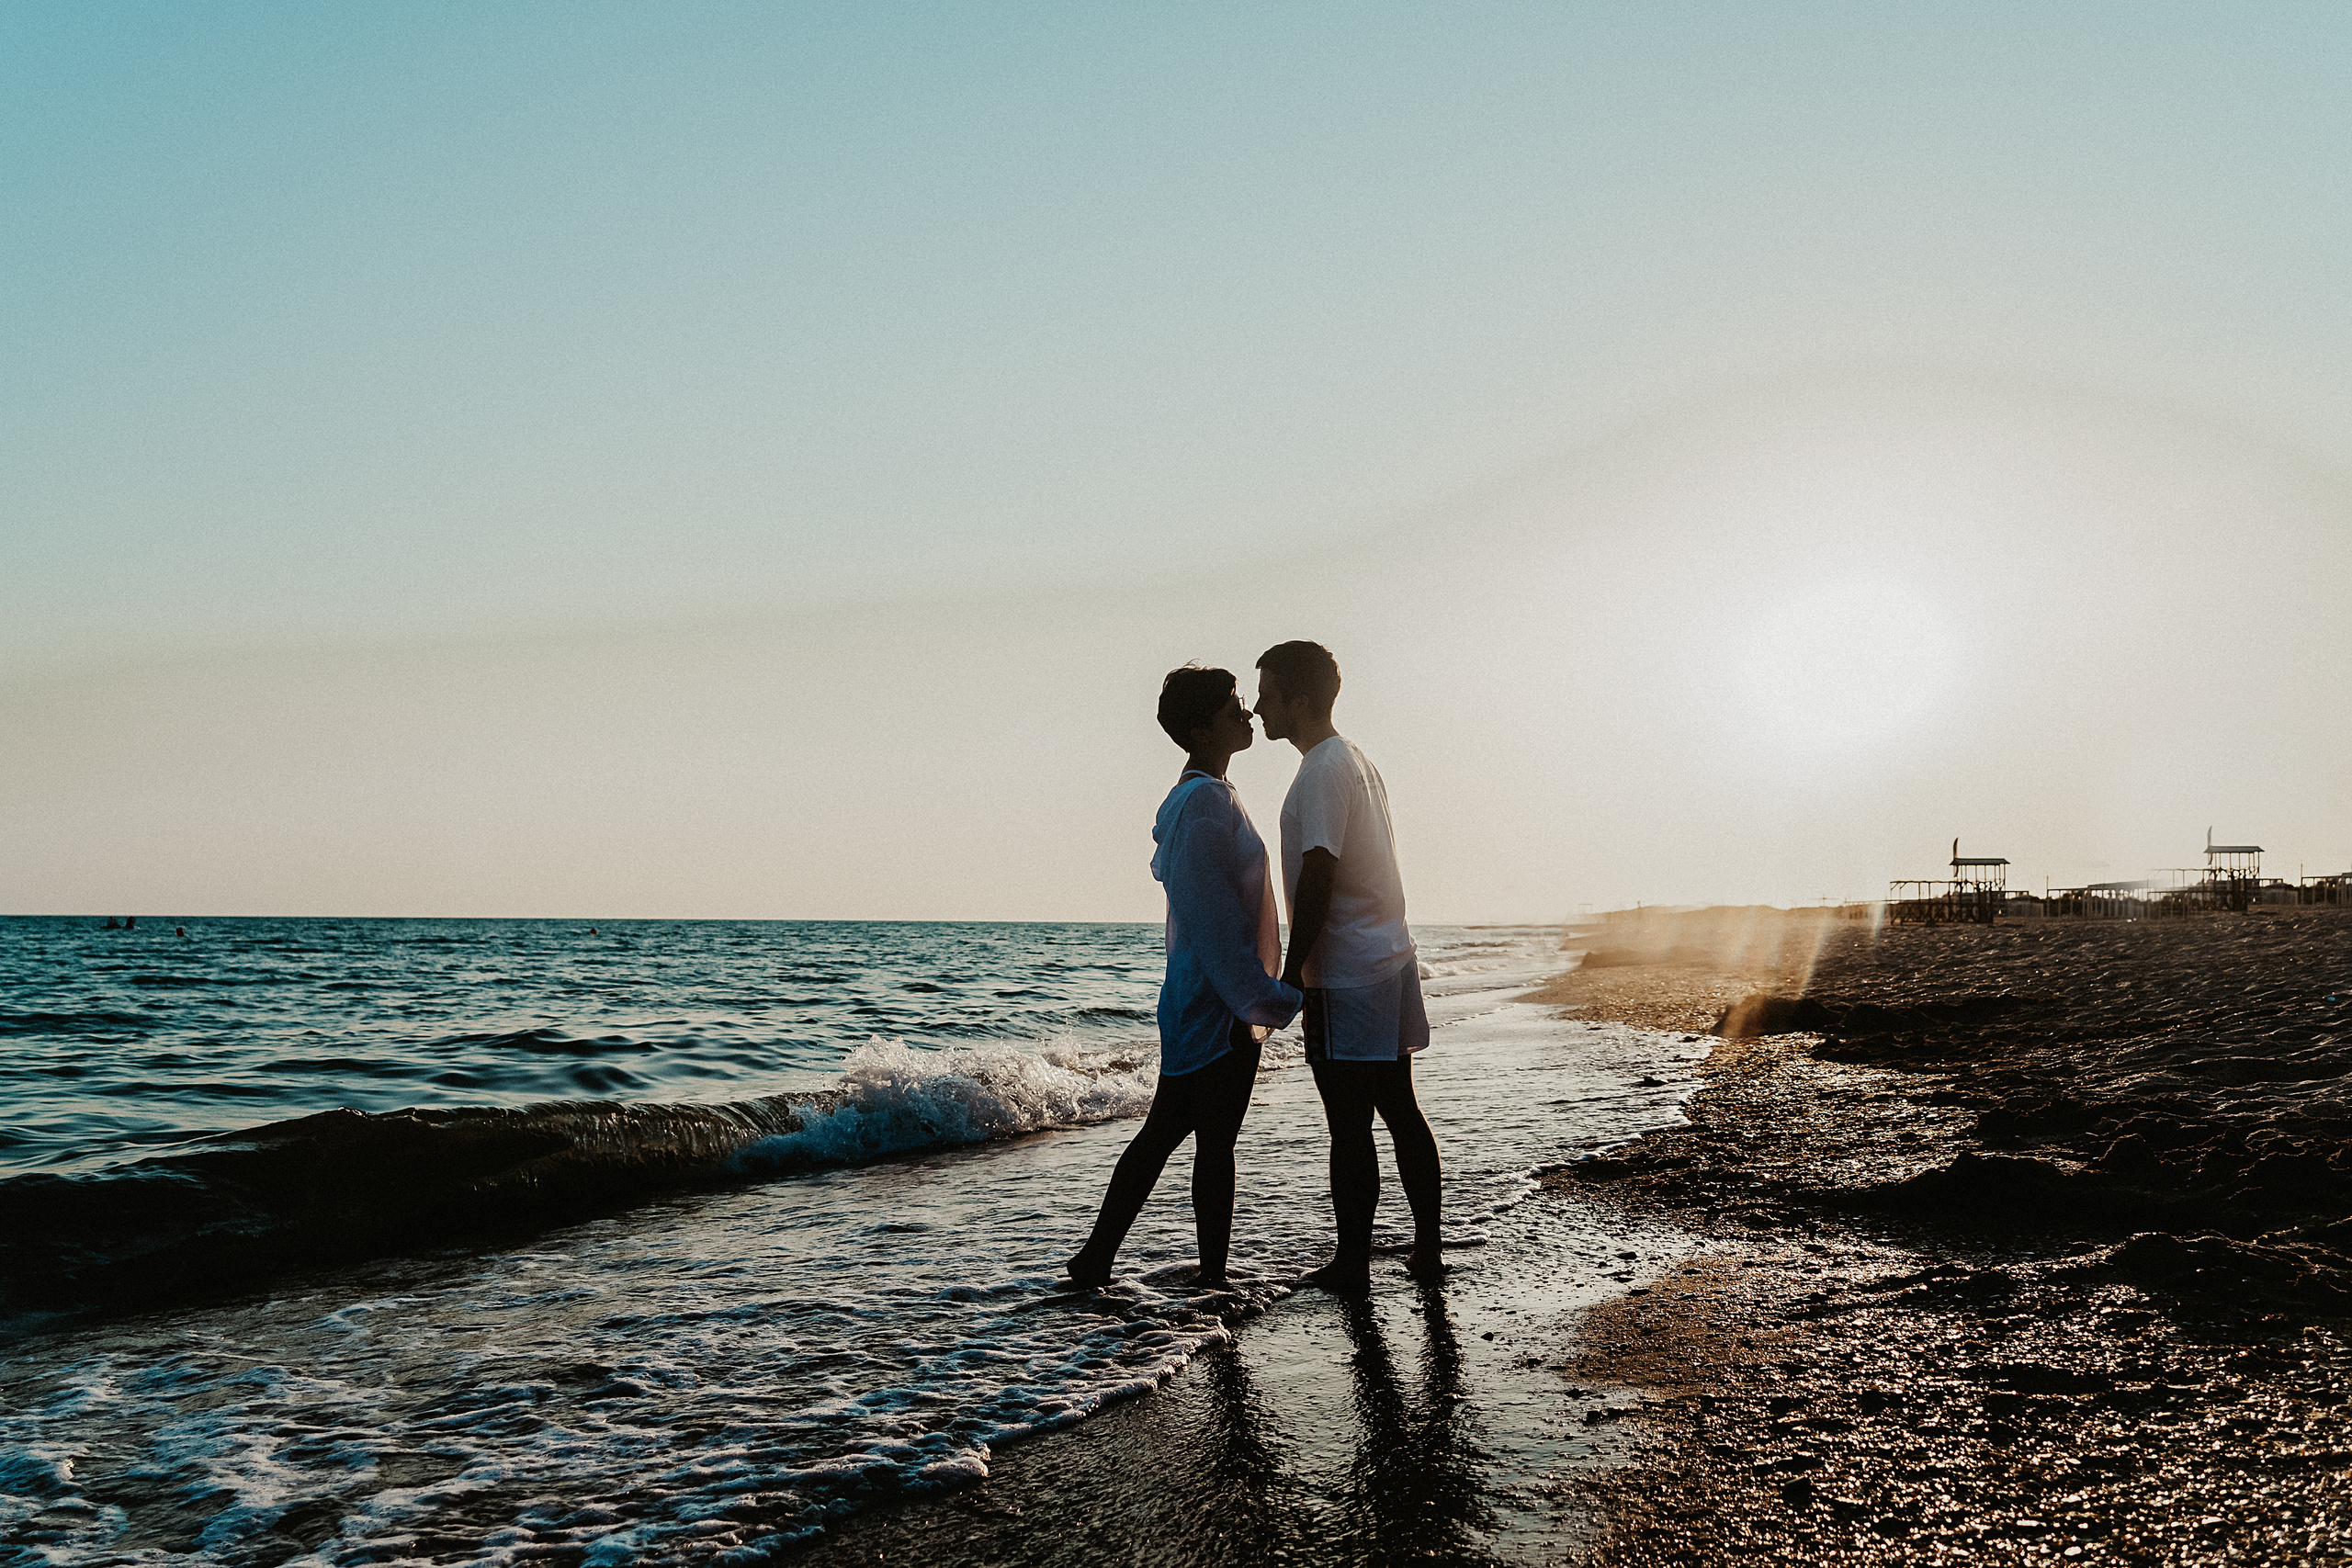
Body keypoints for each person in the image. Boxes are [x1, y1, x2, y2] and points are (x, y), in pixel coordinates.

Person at [1067, 665, 1302, 1290]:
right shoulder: (1202, 801)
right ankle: (1209, 1276)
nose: (1246, 714)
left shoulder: (1209, 793)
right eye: (1232, 709)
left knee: (1169, 1131)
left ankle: (1100, 1257)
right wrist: (1260, 998)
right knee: (1206, 1140)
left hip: (1208, 995)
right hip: (1216, 1001)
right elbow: (1214, 916)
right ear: (1201, 729)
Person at [1255, 639, 1442, 1293]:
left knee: (1349, 1124)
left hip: (1348, 972)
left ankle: (1353, 1264)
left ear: (1299, 700)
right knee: (1400, 1108)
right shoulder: (1355, 759)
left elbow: (1320, 874)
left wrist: (1292, 972)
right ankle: (1425, 1249)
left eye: (1269, 694)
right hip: (1389, 956)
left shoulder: (1323, 770)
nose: (1258, 706)